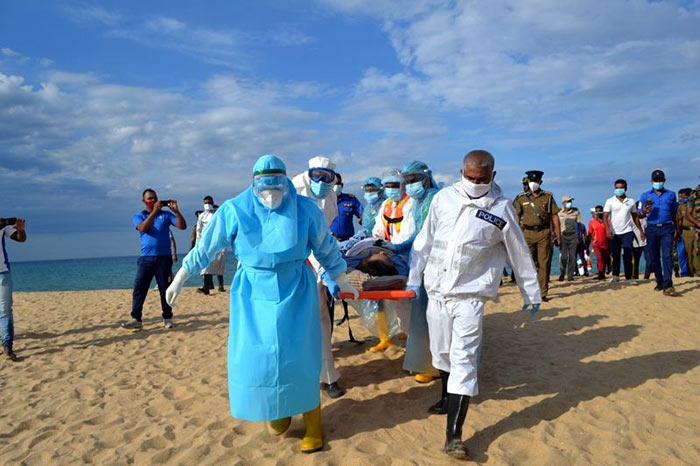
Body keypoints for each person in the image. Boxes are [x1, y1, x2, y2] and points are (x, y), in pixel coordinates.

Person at [166, 155, 358, 454]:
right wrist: (181, 275)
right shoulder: (234, 209)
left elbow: (325, 247)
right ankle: (277, 410)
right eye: (263, 187)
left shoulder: (305, 209)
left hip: (296, 287)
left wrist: (340, 279)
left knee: (300, 356)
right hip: (252, 292)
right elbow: (207, 245)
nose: (270, 194)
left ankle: (313, 424)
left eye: (276, 186)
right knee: (259, 359)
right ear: (253, 183)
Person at [408, 150, 541, 459]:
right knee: (441, 352)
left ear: (493, 177)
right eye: (470, 177)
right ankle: (445, 397)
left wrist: (530, 292)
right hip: (438, 292)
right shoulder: (443, 199)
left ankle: (454, 436)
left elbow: (518, 252)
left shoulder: (501, 208)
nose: (475, 183)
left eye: (482, 179)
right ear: (461, 172)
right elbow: (424, 241)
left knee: (464, 360)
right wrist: (414, 278)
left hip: (470, 296)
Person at [292, 156, 346, 399]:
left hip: (316, 265)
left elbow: (323, 237)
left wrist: (333, 269)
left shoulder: (330, 196)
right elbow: (300, 240)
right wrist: (325, 269)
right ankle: (300, 377)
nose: (322, 182)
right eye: (318, 176)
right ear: (309, 173)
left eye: (328, 177)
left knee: (321, 320)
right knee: (294, 326)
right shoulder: (293, 192)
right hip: (292, 266)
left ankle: (328, 377)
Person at [388, 161, 442, 384]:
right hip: (421, 261)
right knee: (422, 316)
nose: (410, 185)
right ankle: (426, 362)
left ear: (426, 177)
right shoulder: (418, 203)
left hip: (435, 264)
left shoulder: (434, 200)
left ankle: (434, 365)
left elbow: (425, 235)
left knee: (432, 318)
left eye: (414, 180)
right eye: (407, 181)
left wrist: (401, 246)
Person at [122, 190, 186, 330]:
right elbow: (143, 228)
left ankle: (168, 317)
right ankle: (136, 318)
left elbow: (182, 226)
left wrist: (177, 212)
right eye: (150, 199)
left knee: (165, 289)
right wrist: (154, 212)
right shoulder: (139, 216)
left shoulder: (166, 215)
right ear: (144, 201)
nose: (154, 201)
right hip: (146, 259)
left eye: (155, 198)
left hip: (164, 258)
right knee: (140, 288)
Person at [513, 170, 561, 301]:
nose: (533, 184)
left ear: (541, 182)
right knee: (528, 264)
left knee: (544, 264)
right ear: (528, 182)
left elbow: (555, 216)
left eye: (536, 181)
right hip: (526, 234)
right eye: (531, 181)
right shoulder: (521, 198)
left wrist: (558, 235)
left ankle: (543, 293)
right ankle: (530, 291)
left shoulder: (548, 197)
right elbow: (516, 217)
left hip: (544, 233)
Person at [639, 170, 678, 295]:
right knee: (653, 257)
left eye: (660, 180)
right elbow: (640, 215)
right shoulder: (645, 195)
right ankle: (659, 281)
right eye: (656, 180)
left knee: (667, 256)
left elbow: (674, 213)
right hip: (652, 228)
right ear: (651, 181)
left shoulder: (671, 194)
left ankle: (668, 283)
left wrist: (677, 229)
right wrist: (645, 211)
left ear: (664, 180)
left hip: (667, 227)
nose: (658, 182)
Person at [603, 179, 645, 283]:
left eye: (621, 188)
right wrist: (607, 229)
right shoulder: (610, 201)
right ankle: (615, 275)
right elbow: (605, 216)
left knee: (628, 253)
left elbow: (635, 217)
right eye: (617, 188)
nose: (618, 190)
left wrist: (641, 231)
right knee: (615, 254)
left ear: (625, 188)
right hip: (614, 232)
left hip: (627, 231)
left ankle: (629, 277)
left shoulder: (630, 201)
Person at [0, 217, 27, 361]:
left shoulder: (3, 224)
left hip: (2, 272)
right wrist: (6, 222)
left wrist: (21, 230)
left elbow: (20, 239)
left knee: (5, 310)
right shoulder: (3, 223)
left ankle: (7, 346)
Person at [193, 196, 226, 294]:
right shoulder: (202, 216)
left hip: (216, 243)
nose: (207, 204)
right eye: (205, 203)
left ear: (212, 203)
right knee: (205, 266)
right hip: (204, 244)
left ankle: (220, 286)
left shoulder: (217, 215)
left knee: (217, 265)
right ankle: (206, 288)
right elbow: (198, 230)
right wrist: (198, 244)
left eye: (209, 202)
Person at [372, 169, 414, 244]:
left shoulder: (410, 202)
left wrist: (396, 248)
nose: (391, 189)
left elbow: (408, 233)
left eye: (395, 186)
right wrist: (378, 240)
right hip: (388, 246)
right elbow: (379, 225)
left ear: (403, 186)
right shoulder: (386, 203)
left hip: (404, 249)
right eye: (388, 186)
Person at [330, 173, 363, 242]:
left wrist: (364, 220)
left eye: (338, 183)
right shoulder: (323, 201)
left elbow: (363, 216)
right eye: (334, 183)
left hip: (348, 241)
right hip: (329, 240)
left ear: (342, 185)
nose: (336, 186)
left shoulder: (350, 199)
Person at [556, 196, 582, 281]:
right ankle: (562, 272)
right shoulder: (559, 213)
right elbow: (556, 225)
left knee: (572, 257)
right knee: (563, 257)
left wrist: (579, 236)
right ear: (563, 203)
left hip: (573, 236)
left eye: (570, 201)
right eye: (568, 201)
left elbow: (579, 224)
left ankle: (570, 276)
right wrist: (556, 237)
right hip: (563, 236)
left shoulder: (576, 212)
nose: (569, 203)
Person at [588, 205, 610, 280]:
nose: (599, 213)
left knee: (604, 259)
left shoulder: (608, 221)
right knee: (599, 258)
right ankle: (600, 274)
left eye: (600, 211)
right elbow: (589, 234)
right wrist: (587, 246)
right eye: (597, 211)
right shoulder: (592, 222)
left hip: (606, 244)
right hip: (596, 244)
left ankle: (602, 274)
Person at [676, 188, 694, 277]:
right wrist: (678, 232)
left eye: (681, 196)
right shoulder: (680, 206)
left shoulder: (694, 203)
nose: (680, 198)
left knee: (694, 253)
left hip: (695, 230)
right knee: (683, 252)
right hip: (684, 231)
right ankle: (685, 272)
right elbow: (679, 220)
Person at [684, 182, 700, 275]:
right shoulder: (694, 194)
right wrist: (697, 223)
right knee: (696, 253)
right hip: (698, 229)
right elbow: (688, 214)